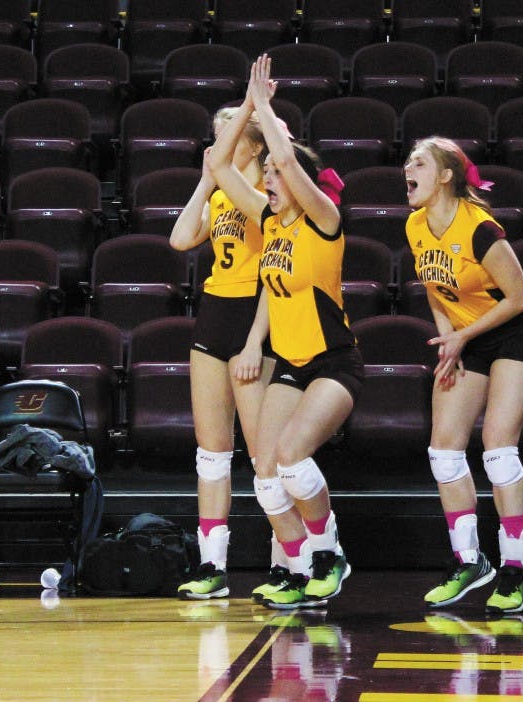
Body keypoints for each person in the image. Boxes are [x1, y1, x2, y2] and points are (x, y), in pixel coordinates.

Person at [211, 55, 363, 609]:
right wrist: (247, 108)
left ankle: (329, 553)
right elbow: (219, 166)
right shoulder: (270, 222)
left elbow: (288, 165)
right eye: (270, 175)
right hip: (291, 363)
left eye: (278, 175)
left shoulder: (324, 222)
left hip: (334, 362)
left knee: (294, 457)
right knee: (266, 476)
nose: (270, 181)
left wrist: (268, 111)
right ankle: (300, 569)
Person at [404, 136, 523, 615]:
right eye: (408, 162)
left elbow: (520, 298)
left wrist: (463, 335)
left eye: (419, 162)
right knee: (444, 452)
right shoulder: (415, 224)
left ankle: (516, 569)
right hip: (466, 336)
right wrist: (448, 337)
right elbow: (434, 287)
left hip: (514, 334)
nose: (407, 169)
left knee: (499, 449)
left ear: (446, 175)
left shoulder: (480, 228)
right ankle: (469, 561)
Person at [169, 106, 275, 600]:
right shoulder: (218, 193)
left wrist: (254, 341)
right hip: (215, 310)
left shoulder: (268, 193)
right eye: (214, 135)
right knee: (211, 452)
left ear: (253, 145)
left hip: (255, 314)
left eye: (228, 135)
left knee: (264, 455)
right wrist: (205, 180)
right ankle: (212, 565)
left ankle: (289, 561)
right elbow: (179, 238)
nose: (218, 142)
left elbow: (274, 263)